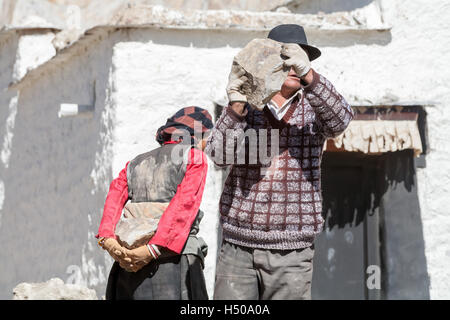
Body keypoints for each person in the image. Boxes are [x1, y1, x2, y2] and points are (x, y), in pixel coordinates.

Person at [205, 24, 355, 300]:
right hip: (238, 247)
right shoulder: (247, 109)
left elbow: (341, 120)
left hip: (293, 251)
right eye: (285, 60)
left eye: (298, 60)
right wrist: (235, 107)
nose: (292, 67)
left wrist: (310, 74)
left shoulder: (313, 108)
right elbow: (217, 155)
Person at [96, 106, 213, 300]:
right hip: (172, 263)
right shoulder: (193, 157)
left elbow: (113, 201)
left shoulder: (135, 163)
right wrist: (152, 249)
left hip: (129, 261)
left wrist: (108, 240)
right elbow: (184, 206)